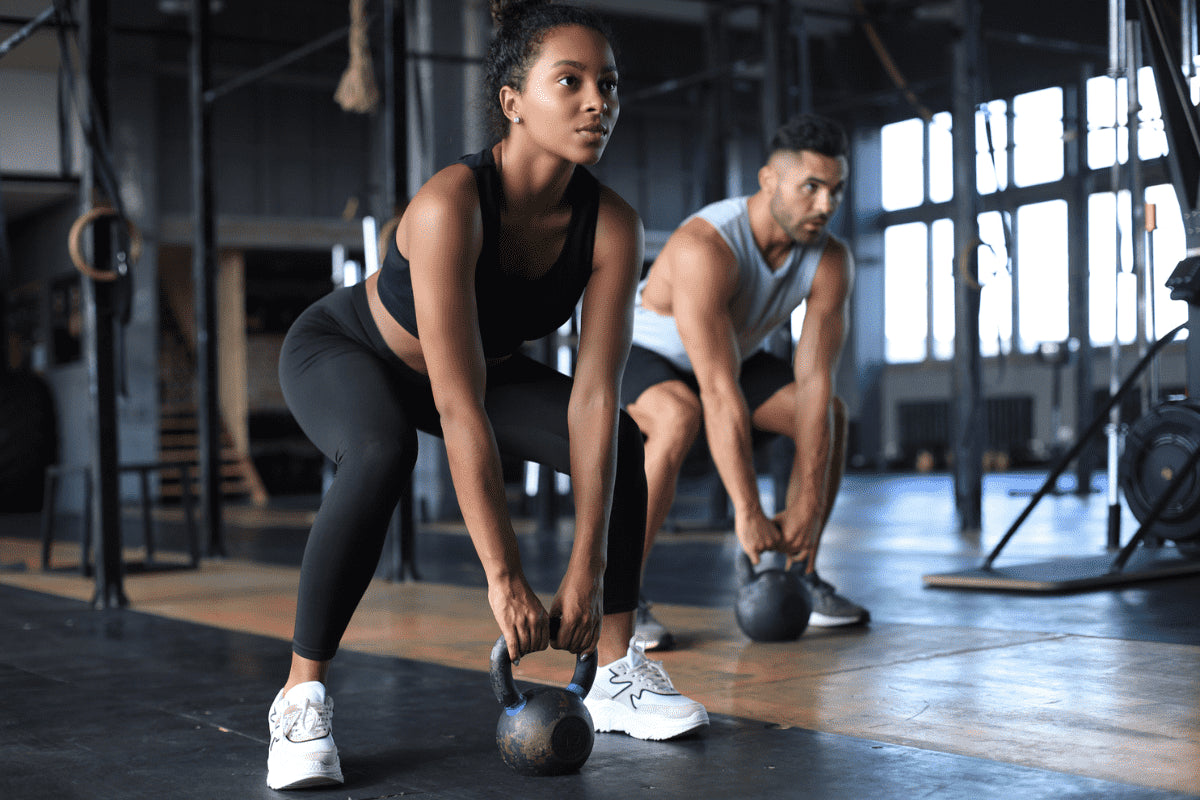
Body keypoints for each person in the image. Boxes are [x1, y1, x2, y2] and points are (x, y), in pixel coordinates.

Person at [266, 1, 707, 790]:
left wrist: (587, 570)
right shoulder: (450, 205)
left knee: (629, 442)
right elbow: (457, 403)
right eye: (568, 81)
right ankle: (301, 695)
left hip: (480, 368)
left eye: (607, 83)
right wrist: (505, 579)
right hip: (349, 350)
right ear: (513, 101)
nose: (597, 101)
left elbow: (595, 398)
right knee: (379, 450)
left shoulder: (610, 225)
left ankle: (614, 671)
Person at [623, 113, 868, 650]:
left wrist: (804, 509)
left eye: (836, 190)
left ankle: (802, 571)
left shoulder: (830, 259)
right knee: (678, 414)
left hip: (734, 355)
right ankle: (618, 595)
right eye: (811, 188)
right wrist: (748, 511)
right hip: (647, 353)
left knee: (830, 413)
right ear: (769, 181)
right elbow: (718, 390)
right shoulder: (706, 247)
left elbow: (816, 381)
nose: (826, 205)